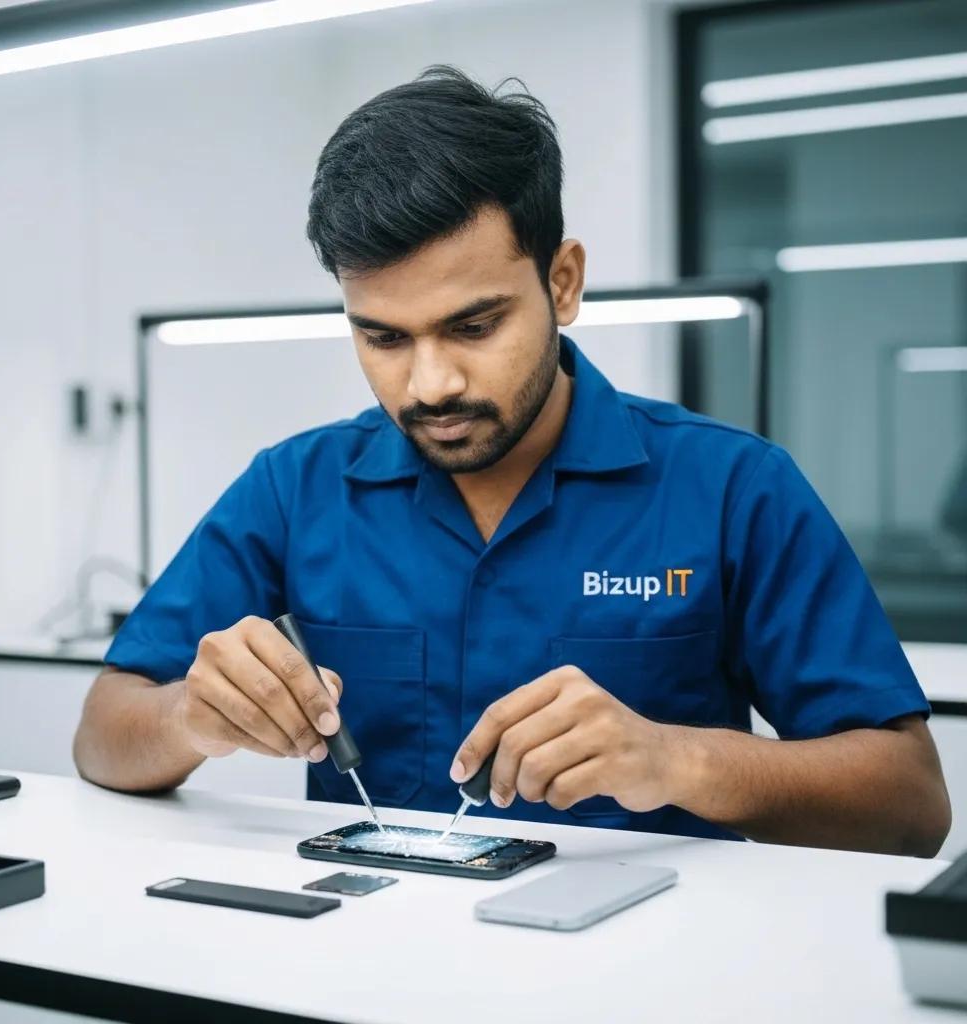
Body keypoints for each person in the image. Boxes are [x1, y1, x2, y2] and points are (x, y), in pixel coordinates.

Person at [74, 66, 950, 856]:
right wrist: (190, 717)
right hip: (361, 953)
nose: (431, 384)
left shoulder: (733, 489)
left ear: (562, 283)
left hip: (646, 957)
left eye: (474, 325)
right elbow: (102, 735)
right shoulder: (295, 489)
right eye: (383, 337)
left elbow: (909, 805)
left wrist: (678, 760)